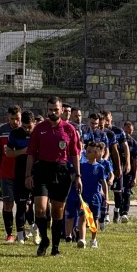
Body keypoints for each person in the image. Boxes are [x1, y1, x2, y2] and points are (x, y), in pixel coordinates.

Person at [25, 96, 82, 257]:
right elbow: (30, 154)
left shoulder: (69, 129)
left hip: (61, 171)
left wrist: (78, 176)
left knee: (58, 211)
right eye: (50, 110)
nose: (53, 112)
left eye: (56, 110)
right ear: (47, 110)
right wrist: (28, 174)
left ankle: (55, 247)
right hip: (42, 169)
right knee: (40, 208)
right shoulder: (39, 128)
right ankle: (44, 240)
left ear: (62, 110)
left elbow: (75, 154)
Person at [0, 105, 22, 242]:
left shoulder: (26, 129)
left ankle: (22, 233)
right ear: (7, 118)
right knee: (8, 203)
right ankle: (9, 233)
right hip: (6, 172)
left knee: (23, 204)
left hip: (22, 173)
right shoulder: (1, 130)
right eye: (12, 119)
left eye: (17, 119)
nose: (15, 122)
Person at [6, 111, 35, 243]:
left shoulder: (38, 133)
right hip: (20, 174)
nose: (27, 130)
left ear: (34, 123)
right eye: (25, 127)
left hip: (36, 174)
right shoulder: (15, 134)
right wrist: (23, 151)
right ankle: (20, 235)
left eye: (29, 127)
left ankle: (36, 230)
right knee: (21, 204)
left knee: (37, 205)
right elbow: (9, 153)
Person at [75, 140, 108, 249]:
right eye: (87, 151)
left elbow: (104, 183)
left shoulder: (100, 168)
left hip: (95, 197)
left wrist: (106, 197)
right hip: (84, 197)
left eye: (89, 152)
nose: (87, 153)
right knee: (83, 217)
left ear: (96, 153)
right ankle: (82, 239)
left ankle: (93, 239)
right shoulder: (82, 166)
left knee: (93, 219)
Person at [118, 121, 137, 221]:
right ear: (123, 129)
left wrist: (135, 177)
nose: (127, 134)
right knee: (118, 192)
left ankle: (124, 213)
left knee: (126, 192)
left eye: (130, 132)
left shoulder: (134, 144)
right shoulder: (117, 141)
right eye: (126, 131)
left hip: (128, 172)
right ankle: (117, 210)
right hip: (118, 169)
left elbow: (136, 161)